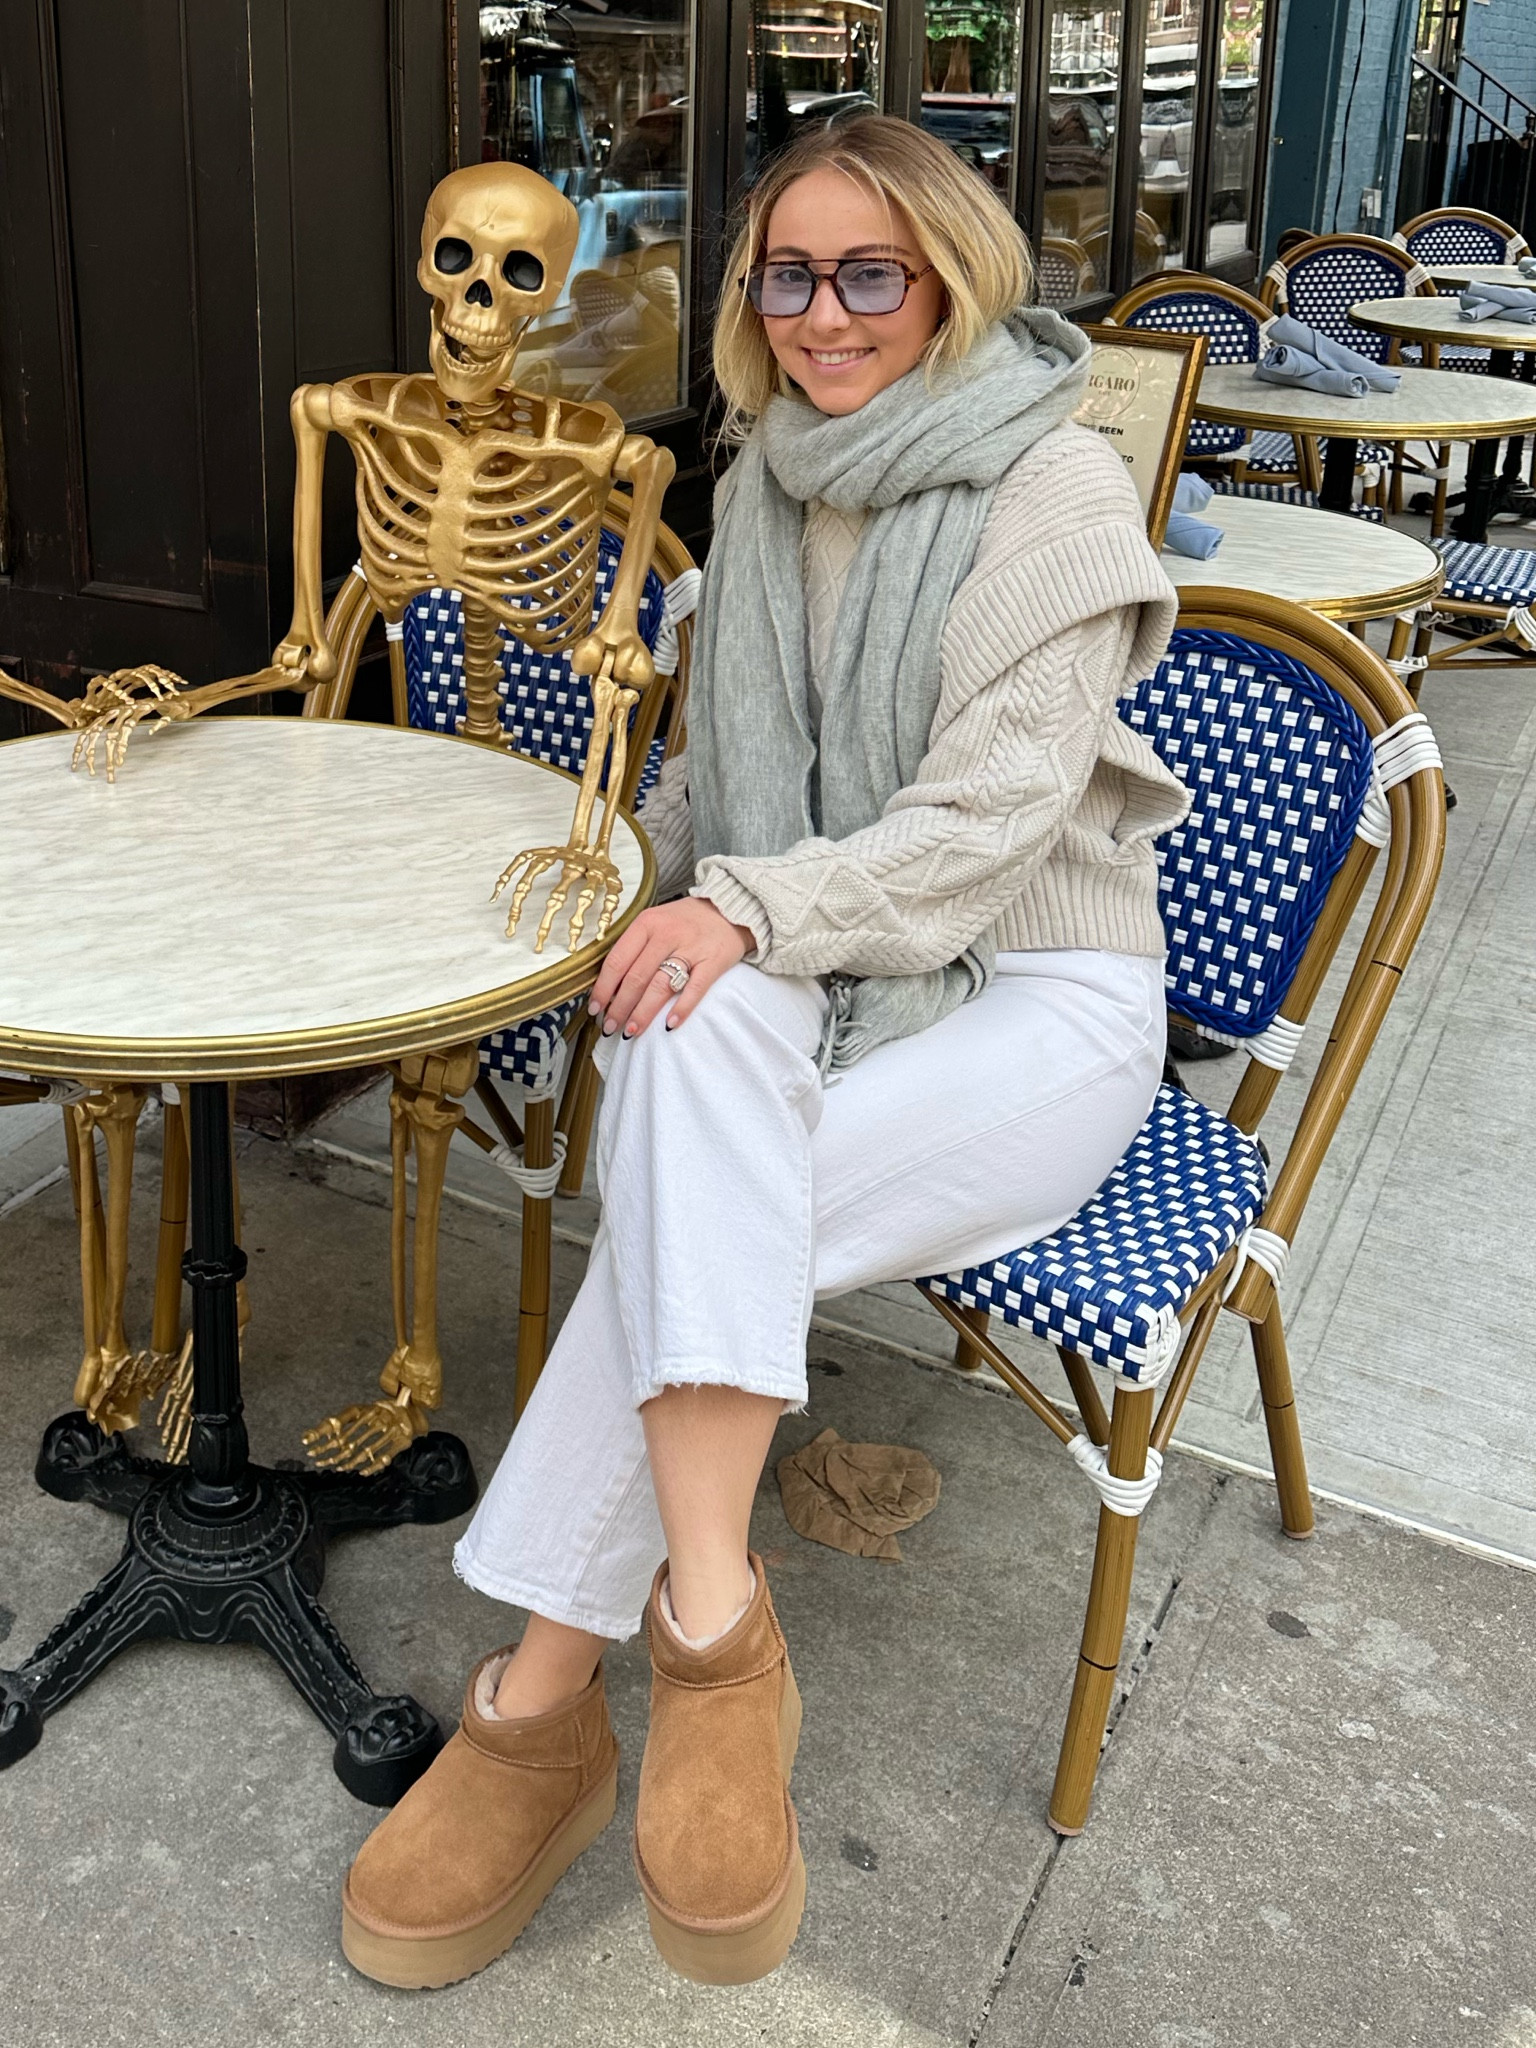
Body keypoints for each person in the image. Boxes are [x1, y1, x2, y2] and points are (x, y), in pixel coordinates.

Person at [338, 113, 1188, 1993]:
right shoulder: (772, 476)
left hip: (1041, 988)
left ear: (952, 280)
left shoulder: (1054, 487)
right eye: (788, 272)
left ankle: (538, 1706)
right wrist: (615, 880)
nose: (825, 312)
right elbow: (719, 793)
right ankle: (715, 1629)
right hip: (826, 944)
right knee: (691, 1038)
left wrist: (731, 909)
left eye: (871, 270)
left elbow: (982, 828)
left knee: (680, 1200)